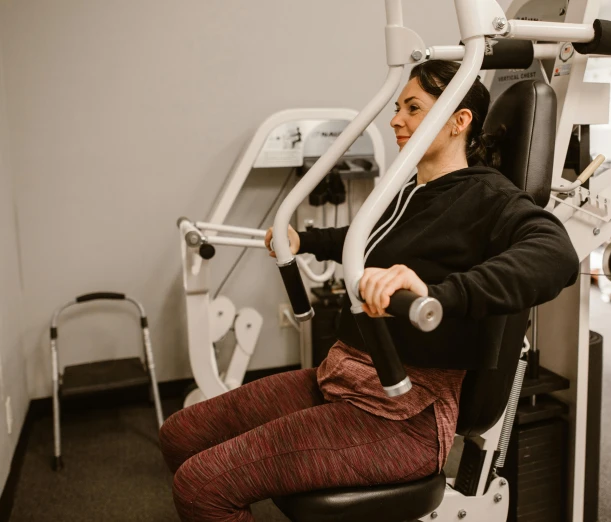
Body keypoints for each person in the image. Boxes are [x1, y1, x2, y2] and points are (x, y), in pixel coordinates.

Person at [159, 60, 580, 522]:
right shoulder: (407, 191)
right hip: (340, 381)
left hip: (402, 417)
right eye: (398, 107)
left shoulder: (488, 197)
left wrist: (438, 293)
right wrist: (306, 242)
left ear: (459, 121)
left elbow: (557, 255)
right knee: (180, 434)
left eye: (413, 108)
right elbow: (367, 238)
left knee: (201, 487)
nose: (396, 119)